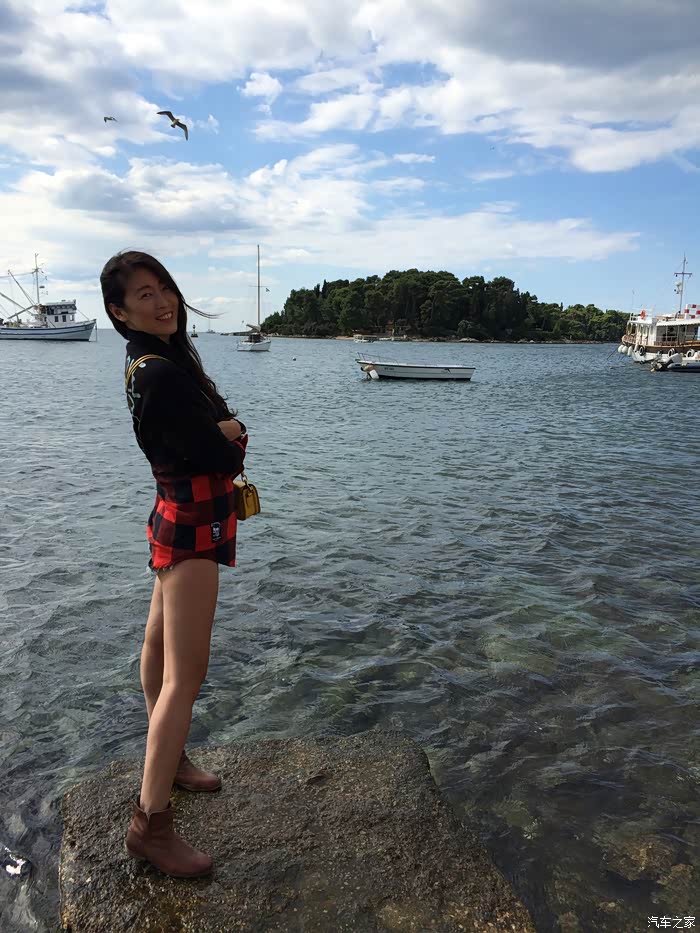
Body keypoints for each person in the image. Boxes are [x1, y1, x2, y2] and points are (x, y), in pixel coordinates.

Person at [100, 250, 248, 877]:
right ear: (118, 311)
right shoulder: (161, 372)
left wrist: (221, 433)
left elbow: (202, 441)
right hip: (193, 524)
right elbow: (219, 454)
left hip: (173, 512)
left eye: (164, 288)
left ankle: (172, 759)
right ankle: (150, 824)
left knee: (158, 647)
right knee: (186, 675)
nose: (163, 301)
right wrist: (231, 433)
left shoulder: (152, 362)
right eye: (144, 295)